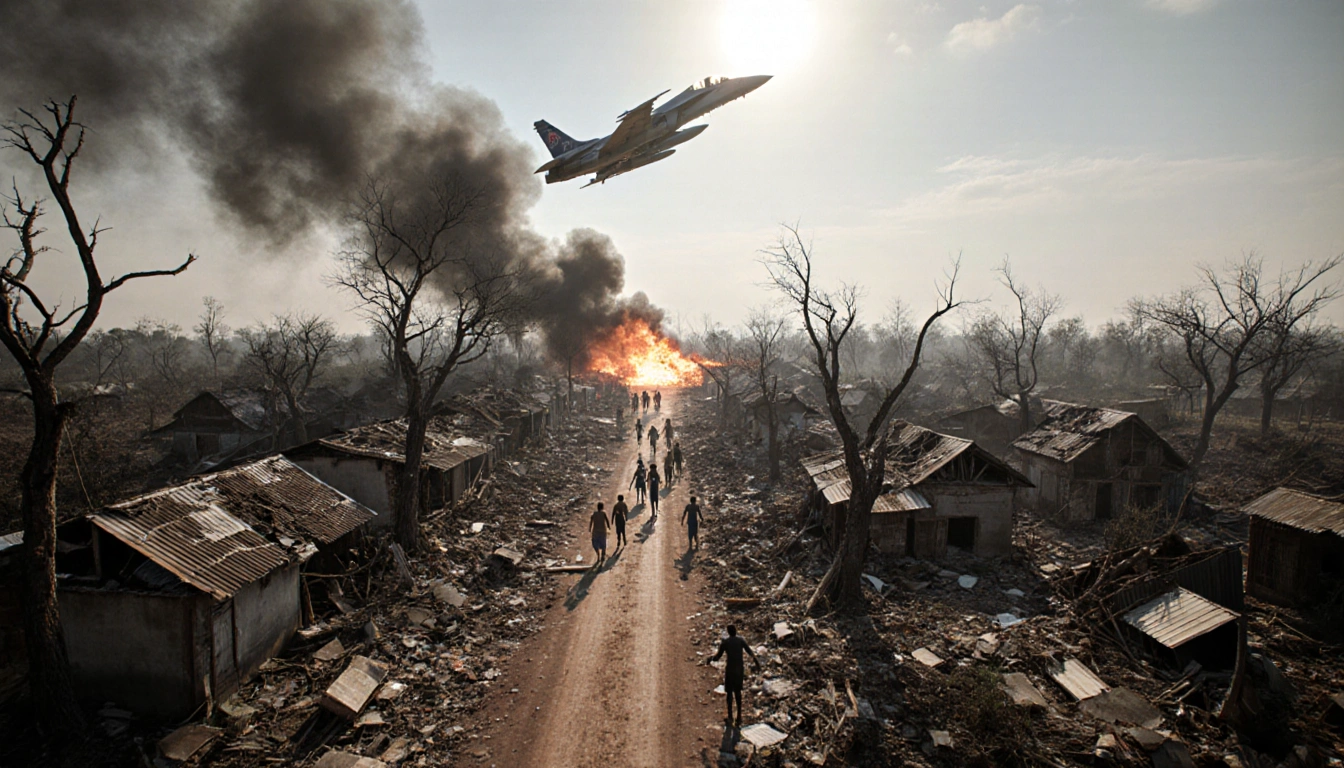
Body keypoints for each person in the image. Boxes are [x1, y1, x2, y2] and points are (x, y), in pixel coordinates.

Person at [710, 625, 759, 726]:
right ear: (736, 631)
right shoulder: (741, 640)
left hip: (730, 670)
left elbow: (717, 657)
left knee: (729, 693)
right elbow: (749, 651)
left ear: (728, 632)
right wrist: (756, 662)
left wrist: (710, 659)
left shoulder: (725, 642)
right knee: (738, 693)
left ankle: (730, 717)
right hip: (739, 670)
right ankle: (739, 717)